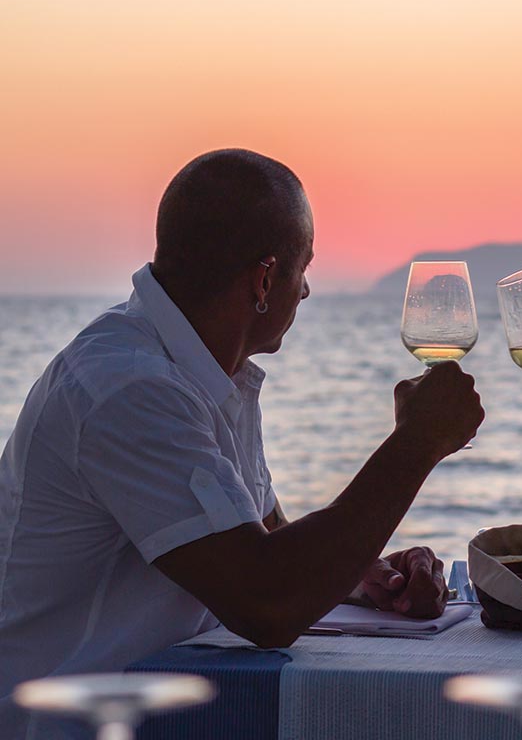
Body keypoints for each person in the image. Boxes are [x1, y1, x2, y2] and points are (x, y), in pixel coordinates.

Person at [0, 149, 485, 736]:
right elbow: (268, 604)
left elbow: (266, 541)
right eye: (302, 269)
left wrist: (365, 576)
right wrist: (417, 444)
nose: (304, 292)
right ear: (263, 278)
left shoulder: (200, 371)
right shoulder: (131, 389)